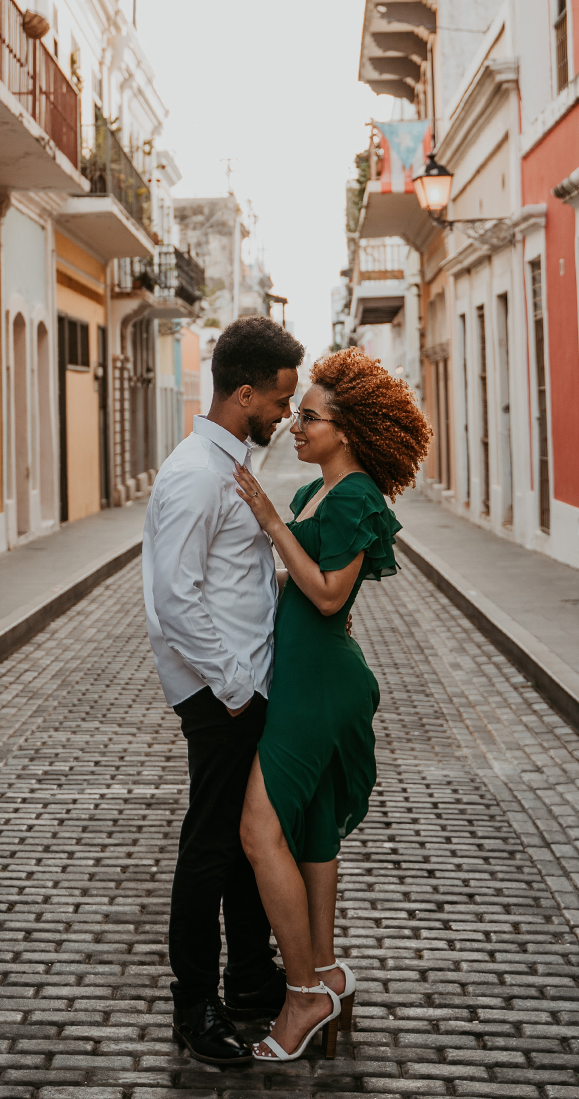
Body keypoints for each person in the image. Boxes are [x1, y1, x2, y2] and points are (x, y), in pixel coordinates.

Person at [234, 347, 431, 1062]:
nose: (296, 425)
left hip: (319, 688)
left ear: (344, 429)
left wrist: (266, 519)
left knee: (259, 832)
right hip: (305, 675)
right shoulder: (318, 491)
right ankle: (326, 972)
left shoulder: (354, 497)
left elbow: (324, 593)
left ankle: (304, 994)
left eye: (309, 417)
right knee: (312, 830)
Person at [142, 316, 305, 1066]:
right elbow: (175, 600)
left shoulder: (229, 461)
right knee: (209, 848)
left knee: (248, 842)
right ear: (244, 393)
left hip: (245, 681)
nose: (284, 414)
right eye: (279, 399)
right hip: (219, 691)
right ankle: (195, 1007)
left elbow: (231, 579)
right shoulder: (193, 474)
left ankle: (246, 978)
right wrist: (236, 687)